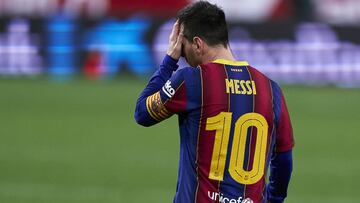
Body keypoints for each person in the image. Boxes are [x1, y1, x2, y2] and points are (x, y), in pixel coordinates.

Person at [134, 1, 294, 203]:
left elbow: (142, 113)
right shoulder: (271, 90)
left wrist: (169, 60)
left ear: (198, 44)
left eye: (183, 46)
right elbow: (283, 159)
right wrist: (274, 200)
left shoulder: (192, 81)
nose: (182, 54)